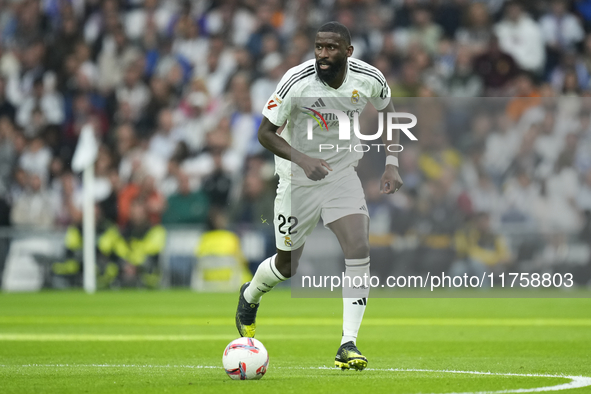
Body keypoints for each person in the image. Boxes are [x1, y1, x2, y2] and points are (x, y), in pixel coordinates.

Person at [234, 22, 403, 371]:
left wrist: (391, 163)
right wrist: (303, 159)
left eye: (330, 48)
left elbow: (388, 113)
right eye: (318, 47)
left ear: (348, 51)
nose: (323, 55)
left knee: (359, 247)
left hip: (342, 175)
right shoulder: (296, 81)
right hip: (298, 179)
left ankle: (348, 343)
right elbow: (265, 133)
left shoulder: (368, 77)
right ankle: (250, 294)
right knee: (288, 265)